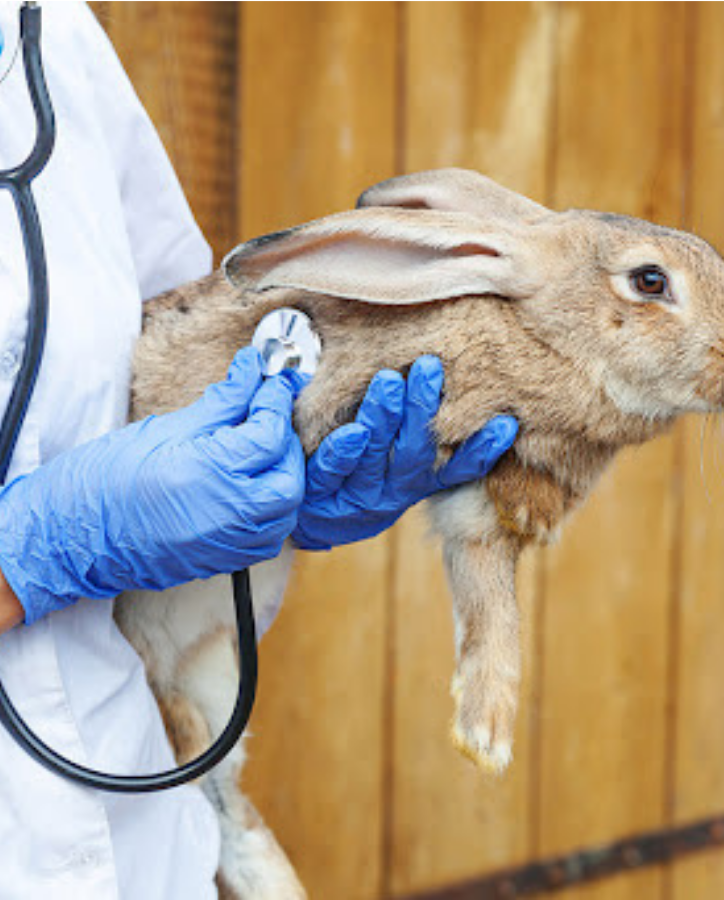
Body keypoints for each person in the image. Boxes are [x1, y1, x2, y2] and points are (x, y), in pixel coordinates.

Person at [0, 4, 516, 897]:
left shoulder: (48, 34)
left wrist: (286, 455)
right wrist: (29, 555)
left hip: (134, 844)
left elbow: (176, 331)